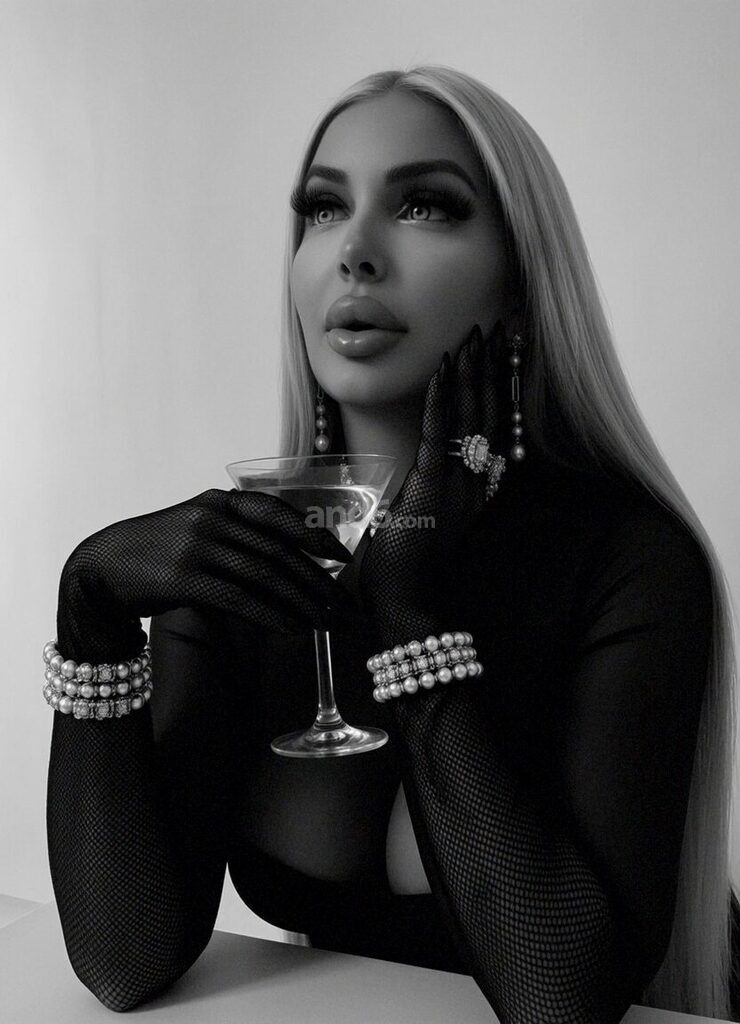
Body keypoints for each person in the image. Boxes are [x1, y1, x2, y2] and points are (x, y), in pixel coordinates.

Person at [44, 65, 738, 1023]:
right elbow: (126, 963)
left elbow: (561, 999)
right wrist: (89, 611)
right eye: (324, 209)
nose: (355, 253)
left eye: (423, 206)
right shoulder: (244, 566)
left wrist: (409, 610)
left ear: (523, 283)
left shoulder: (630, 562)